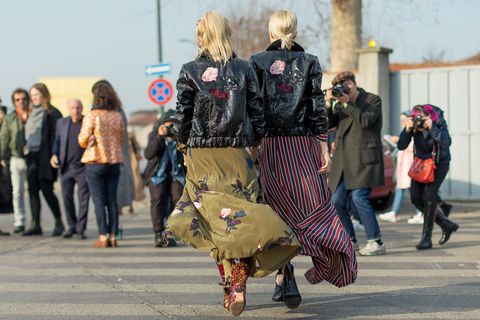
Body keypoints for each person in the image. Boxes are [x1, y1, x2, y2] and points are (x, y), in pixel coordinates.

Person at [166, 11, 300, 317]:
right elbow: (258, 113)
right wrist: (255, 143)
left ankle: (229, 283)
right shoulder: (244, 68)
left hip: (201, 156)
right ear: (227, 34)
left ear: (201, 36)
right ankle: (239, 279)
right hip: (238, 154)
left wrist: (183, 149)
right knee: (239, 219)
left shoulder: (189, 70)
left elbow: (182, 118)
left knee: (216, 224)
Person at [250, 10, 357, 309]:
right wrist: (323, 147)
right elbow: (316, 109)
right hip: (302, 147)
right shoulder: (310, 61)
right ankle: (292, 273)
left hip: (272, 147)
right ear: (294, 32)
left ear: (271, 33)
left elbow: (255, 107)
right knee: (314, 206)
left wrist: (255, 145)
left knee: (278, 211)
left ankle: (285, 275)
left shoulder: (257, 62)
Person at [326, 71, 386, 256]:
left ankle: (376, 241)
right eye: (341, 85)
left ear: (354, 83)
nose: (346, 88)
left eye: (347, 84)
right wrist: (329, 104)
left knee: (359, 198)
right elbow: (328, 125)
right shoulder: (341, 104)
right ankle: (350, 239)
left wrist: (346, 103)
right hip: (344, 161)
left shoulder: (372, 100)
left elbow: (365, 120)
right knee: (336, 201)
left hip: (363, 160)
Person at [397, 104, 459, 250]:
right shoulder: (413, 125)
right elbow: (400, 145)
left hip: (439, 164)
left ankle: (426, 239)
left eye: (422, 118)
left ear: (429, 117)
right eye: (416, 118)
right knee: (415, 198)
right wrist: (407, 130)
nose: (419, 121)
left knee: (429, 196)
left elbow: (446, 142)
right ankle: (445, 224)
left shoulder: (438, 123)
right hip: (420, 165)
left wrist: (432, 128)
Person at [79, 81, 124, 248]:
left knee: (98, 201)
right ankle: (113, 236)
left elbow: (82, 139)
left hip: (95, 161)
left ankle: (103, 236)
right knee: (112, 200)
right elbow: (120, 139)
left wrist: (89, 140)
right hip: (114, 161)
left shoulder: (92, 115)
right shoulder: (117, 115)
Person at [23, 83, 64, 236]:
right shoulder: (29, 113)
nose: (33, 98)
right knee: (32, 190)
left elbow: (57, 137)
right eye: (32, 95)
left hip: (46, 156)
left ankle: (59, 222)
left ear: (44, 95)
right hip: (31, 156)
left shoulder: (52, 113)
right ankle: (35, 224)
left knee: (47, 190)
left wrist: (55, 154)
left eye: (37, 95)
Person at [144, 110, 185, 247]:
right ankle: (158, 232)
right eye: (168, 125)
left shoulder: (180, 135)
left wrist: (178, 137)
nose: (170, 129)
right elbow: (149, 154)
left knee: (177, 199)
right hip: (157, 174)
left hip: (176, 173)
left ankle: (170, 233)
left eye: (174, 125)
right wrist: (159, 137)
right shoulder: (156, 134)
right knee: (158, 198)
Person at [51, 99, 89, 239]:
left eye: (78, 108)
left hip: (83, 167)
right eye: (72, 108)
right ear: (68, 109)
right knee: (67, 198)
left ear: (82, 108)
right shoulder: (62, 123)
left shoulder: (87, 122)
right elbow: (57, 141)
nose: (75, 111)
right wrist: (54, 154)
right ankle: (71, 226)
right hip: (66, 166)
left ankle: (80, 229)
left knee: (83, 199)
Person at [379, 111, 422, 223]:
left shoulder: (415, 132)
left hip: (411, 166)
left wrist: (399, 141)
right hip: (403, 167)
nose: (402, 122)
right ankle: (395, 212)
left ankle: (420, 213)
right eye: (401, 120)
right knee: (400, 189)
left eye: (404, 119)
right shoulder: (405, 132)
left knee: (414, 191)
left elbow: (414, 147)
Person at [2, 89, 31, 229]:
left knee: (34, 191)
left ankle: (35, 221)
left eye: (24, 99)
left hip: (32, 158)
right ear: (14, 102)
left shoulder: (35, 114)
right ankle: (20, 221)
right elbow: (4, 137)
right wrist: (2, 155)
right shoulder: (10, 117)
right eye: (18, 100)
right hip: (16, 157)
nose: (21, 102)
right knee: (17, 191)